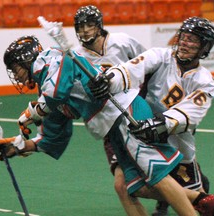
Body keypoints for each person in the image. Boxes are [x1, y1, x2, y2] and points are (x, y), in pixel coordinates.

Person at [0, 34, 214, 216]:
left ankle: (197, 203)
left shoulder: (52, 58)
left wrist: (36, 110)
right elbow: (52, 137)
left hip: (124, 111)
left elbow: (56, 91)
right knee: (130, 186)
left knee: (157, 176)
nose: (16, 76)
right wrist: (18, 146)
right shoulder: (47, 92)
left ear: (25, 60)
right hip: (111, 126)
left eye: (15, 68)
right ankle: (199, 199)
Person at [90, 16, 214, 216]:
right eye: (184, 37)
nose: (185, 43)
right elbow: (132, 69)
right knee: (128, 185)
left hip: (177, 144)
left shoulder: (206, 82)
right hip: (143, 137)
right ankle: (172, 197)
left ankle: (187, 192)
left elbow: (191, 112)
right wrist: (109, 80)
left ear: (204, 48)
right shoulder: (160, 56)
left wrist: (161, 124)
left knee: (204, 205)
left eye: (193, 40)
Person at [73, 5, 148, 215]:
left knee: (153, 172)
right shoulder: (77, 56)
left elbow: (148, 64)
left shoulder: (122, 41)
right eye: (81, 26)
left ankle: (191, 195)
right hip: (110, 124)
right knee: (123, 185)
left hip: (136, 113)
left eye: (90, 25)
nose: (85, 30)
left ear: (99, 26)